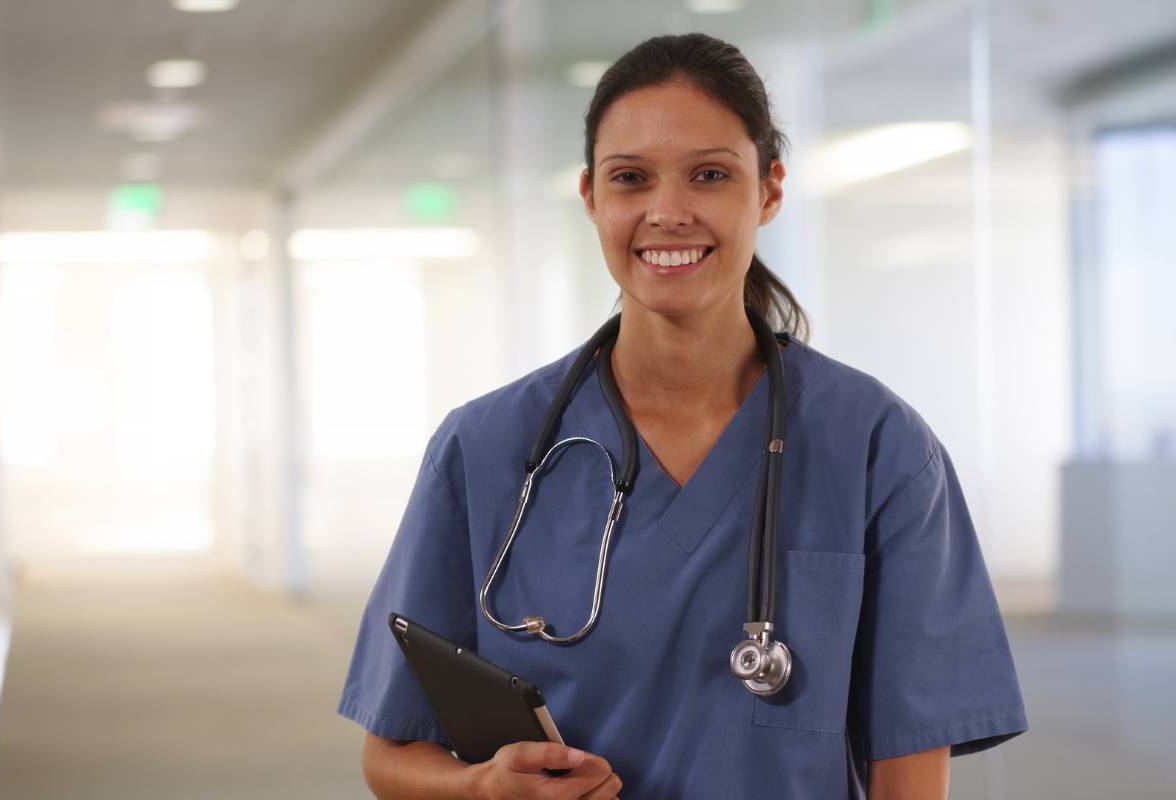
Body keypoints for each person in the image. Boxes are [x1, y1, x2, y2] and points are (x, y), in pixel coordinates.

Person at [338, 32, 1028, 800]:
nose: (668, 212)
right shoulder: (485, 447)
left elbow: (911, 765)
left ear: (768, 191)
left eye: (709, 175)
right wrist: (483, 789)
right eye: (631, 179)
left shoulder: (875, 445)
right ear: (592, 198)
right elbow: (390, 756)